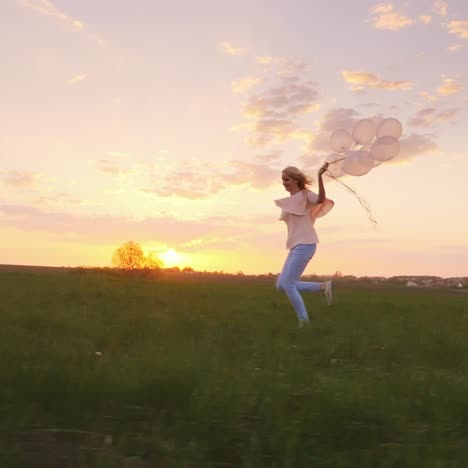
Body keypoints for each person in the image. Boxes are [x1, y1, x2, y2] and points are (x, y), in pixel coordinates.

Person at [274, 163, 334, 327]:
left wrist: (320, 176)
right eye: (282, 180)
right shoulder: (289, 201)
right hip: (295, 245)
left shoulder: (306, 195)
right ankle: (322, 287)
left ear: (295, 180)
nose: (284, 183)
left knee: (287, 284)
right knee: (281, 285)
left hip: (306, 243)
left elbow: (321, 199)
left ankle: (304, 322)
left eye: (286, 179)